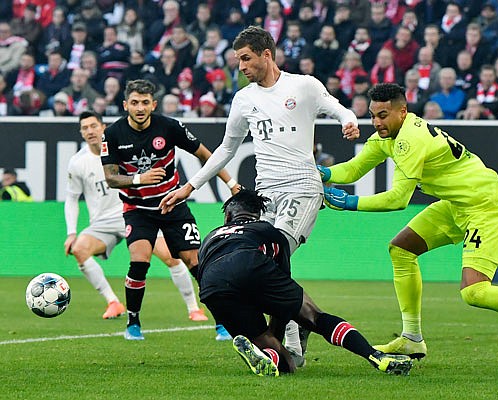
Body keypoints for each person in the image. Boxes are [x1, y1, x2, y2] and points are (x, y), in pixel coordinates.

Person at [317, 83, 498, 369]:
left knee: (474, 291)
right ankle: (412, 337)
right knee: (401, 250)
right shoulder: (387, 136)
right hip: (457, 204)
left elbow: (397, 200)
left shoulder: (410, 140)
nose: (377, 122)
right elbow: (355, 168)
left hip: (487, 204)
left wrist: (350, 203)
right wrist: (325, 172)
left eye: (383, 115)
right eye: (373, 115)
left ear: (402, 112)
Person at [158, 26, 360, 363]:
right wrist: (189, 187)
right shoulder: (244, 99)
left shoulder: (303, 86)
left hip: (302, 188)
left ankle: (289, 340)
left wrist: (348, 122)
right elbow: (225, 149)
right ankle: (295, 334)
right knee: (262, 263)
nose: (241, 67)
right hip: (264, 194)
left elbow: (339, 109)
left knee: (269, 258)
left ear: (267, 54)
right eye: (238, 59)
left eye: (246, 58)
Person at [197, 188, 413, 376]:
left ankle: (268, 354)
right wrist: (277, 335)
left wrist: (266, 337)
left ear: (227, 216)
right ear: (257, 215)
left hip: (213, 287)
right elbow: (281, 301)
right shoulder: (265, 230)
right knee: (315, 317)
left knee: (269, 348)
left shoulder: (210, 237)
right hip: (250, 263)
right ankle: (374, 355)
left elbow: (202, 274)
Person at [101, 79, 239, 340]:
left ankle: (222, 322)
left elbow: (205, 154)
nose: (139, 108)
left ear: (153, 104)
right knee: (139, 261)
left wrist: (231, 183)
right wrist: (140, 179)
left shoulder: (169, 127)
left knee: (196, 263)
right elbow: (110, 178)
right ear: (125, 105)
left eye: (144, 102)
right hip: (138, 209)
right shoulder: (113, 134)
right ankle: (133, 323)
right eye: (134, 103)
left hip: (173, 204)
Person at [66, 110, 210, 322]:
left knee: (171, 257)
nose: (90, 131)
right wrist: (71, 232)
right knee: (79, 249)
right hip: (103, 222)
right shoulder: (78, 162)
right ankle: (113, 302)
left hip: (137, 211)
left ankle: (193, 308)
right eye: (85, 128)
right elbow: (71, 198)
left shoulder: (122, 145)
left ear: (103, 127)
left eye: (93, 126)